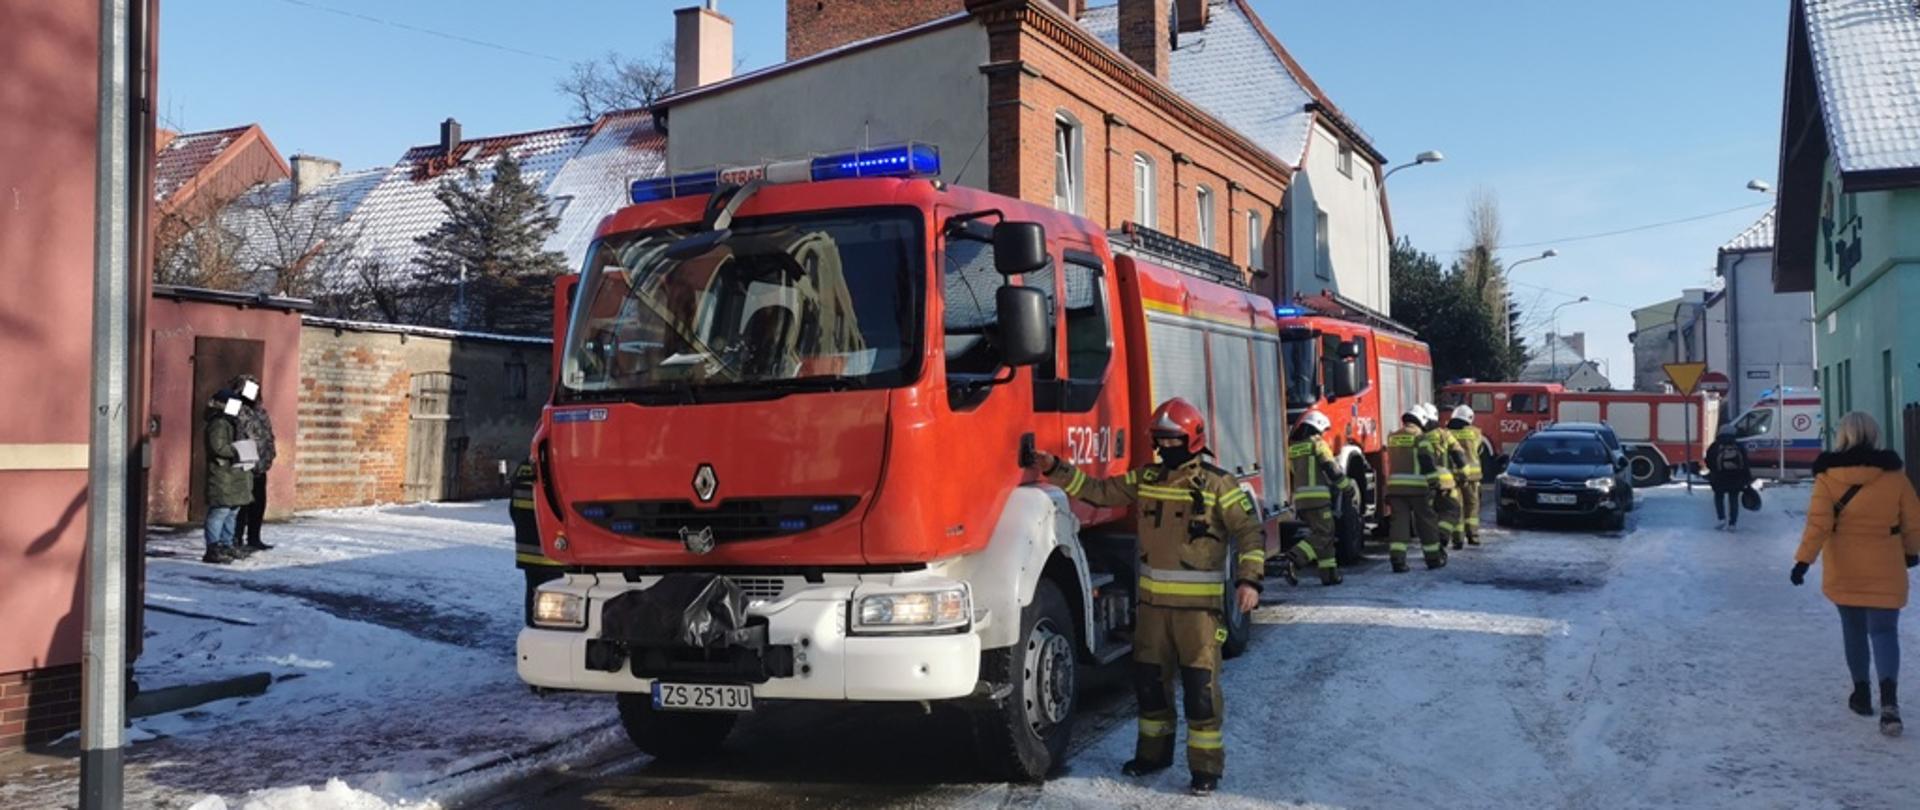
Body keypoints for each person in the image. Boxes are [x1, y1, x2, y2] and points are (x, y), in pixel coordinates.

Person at [1027, 398, 1263, 796]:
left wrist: (1249, 581)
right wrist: (1055, 469)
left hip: (1198, 616)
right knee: (1150, 688)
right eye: (1160, 440)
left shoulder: (1219, 485)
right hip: (1153, 612)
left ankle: (1206, 770)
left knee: (1201, 693)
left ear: (1193, 440)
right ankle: (1153, 756)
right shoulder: (1147, 478)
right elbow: (1098, 491)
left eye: (1173, 440)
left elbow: (1250, 533)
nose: (1165, 447)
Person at [1790, 412, 1920, 737]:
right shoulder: (1894, 476)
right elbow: (1913, 521)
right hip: (1886, 564)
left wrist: (1803, 562)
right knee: (1885, 632)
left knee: (1853, 630)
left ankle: (1861, 694)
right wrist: (1911, 551)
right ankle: (1889, 704)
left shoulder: (1828, 478)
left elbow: (1818, 525)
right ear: (1874, 435)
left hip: (1844, 567)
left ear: (1842, 436)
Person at [1286, 409, 1349, 586]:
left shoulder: (1294, 447)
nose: (1323, 434)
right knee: (1324, 533)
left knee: (1323, 533)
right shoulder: (1317, 444)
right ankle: (1295, 557)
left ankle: (1329, 575)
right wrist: (1346, 487)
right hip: (1318, 499)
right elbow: (1331, 468)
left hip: (1302, 500)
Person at [1385, 407, 1448, 572]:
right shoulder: (1421, 438)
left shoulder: (1393, 437)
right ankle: (1433, 558)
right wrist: (1435, 484)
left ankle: (1398, 561)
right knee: (1426, 522)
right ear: (1421, 420)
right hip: (1419, 489)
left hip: (1395, 489)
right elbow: (1427, 462)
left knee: (1399, 523)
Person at [202, 390, 254, 564]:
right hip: (223, 474)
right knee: (220, 511)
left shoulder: (231, 422)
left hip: (234, 473)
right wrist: (240, 450)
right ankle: (213, 547)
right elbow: (218, 447)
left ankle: (227, 544)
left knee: (232, 511)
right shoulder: (218, 422)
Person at [231, 374, 276, 551]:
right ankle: (236, 538)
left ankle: (254, 538)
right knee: (241, 503)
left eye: (255, 389)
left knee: (258, 503)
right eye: (250, 388)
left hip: (261, 463)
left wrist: (271, 452)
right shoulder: (235, 407)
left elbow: (267, 434)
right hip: (244, 463)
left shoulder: (260, 411)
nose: (253, 393)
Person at [1420, 404, 1464, 561]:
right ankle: (1442, 536)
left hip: (1424, 482)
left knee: (1431, 514)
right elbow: (1458, 454)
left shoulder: (1420, 437)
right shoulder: (1444, 435)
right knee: (1452, 510)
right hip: (1445, 482)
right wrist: (1463, 473)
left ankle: (1432, 545)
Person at [1447, 405, 1486, 548]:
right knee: (1472, 506)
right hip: (1471, 477)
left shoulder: (1447, 433)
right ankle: (1473, 536)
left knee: (1457, 507)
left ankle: (1457, 539)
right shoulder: (1475, 432)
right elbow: (1480, 450)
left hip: (1452, 478)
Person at [1705, 426, 1752, 531]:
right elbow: (1745, 463)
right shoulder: (1738, 446)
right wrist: (1746, 478)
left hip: (1719, 477)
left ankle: (1721, 518)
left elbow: (1708, 461)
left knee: (1719, 497)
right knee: (1733, 499)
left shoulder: (1715, 446)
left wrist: (1713, 472)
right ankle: (1732, 523)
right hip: (1735, 478)